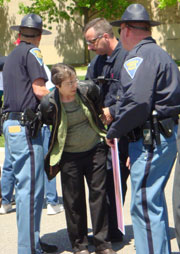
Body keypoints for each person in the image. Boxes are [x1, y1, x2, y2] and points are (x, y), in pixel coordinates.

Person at [105, 4, 180, 254]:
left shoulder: (138, 56)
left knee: (144, 205)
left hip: (152, 140)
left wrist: (114, 131)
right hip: (159, 137)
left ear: (126, 30)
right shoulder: (158, 53)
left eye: (119, 31)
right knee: (152, 203)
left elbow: (137, 102)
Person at [40, 63, 117, 254]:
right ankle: (79, 245)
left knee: (98, 196)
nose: (75, 84)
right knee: (73, 202)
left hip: (94, 150)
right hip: (68, 156)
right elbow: (49, 121)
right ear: (57, 86)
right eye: (69, 83)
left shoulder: (88, 90)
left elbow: (98, 106)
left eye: (75, 79)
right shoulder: (49, 103)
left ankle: (102, 243)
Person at [2, 13, 57, 254]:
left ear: (19, 34)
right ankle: (28, 248)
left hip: (11, 126)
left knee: (28, 188)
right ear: (39, 37)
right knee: (31, 191)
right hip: (25, 128)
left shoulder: (11, 55)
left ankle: (32, 241)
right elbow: (39, 89)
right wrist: (64, 102)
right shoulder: (33, 53)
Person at [84, 18, 128, 242]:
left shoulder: (127, 57)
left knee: (117, 182)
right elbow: (88, 87)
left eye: (92, 42)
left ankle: (115, 230)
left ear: (105, 37)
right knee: (103, 182)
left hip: (126, 132)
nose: (89, 48)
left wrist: (112, 109)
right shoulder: (97, 62)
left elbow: (136, 96)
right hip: (102, 132)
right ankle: (108, 231)